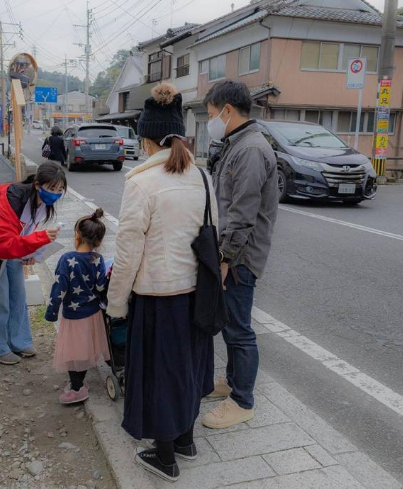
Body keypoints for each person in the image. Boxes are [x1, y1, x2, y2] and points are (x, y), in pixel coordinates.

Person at [107, 83, 217, 482]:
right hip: (197, 295)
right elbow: (212, 236)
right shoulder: (201, 178)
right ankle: (186, 438)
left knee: (159, 376)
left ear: (147, 139)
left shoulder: (140, 184)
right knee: (188, 368)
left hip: (157, 296)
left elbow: (128, 251)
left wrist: (116, 302)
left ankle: (165, 455)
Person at [200, 80, 278, 430]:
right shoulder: (238, 144)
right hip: (234, 252)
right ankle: (232, 382)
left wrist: (225, 256)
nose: (211, 120)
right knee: (232, 325)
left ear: (227, 110)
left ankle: (242, 400)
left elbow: (243, 214)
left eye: (212, 114)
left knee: (238, 329)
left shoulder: (249, 150)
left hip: (240, 257)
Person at [0, 163, 67, 365]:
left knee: (18, 293)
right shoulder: (12, 199)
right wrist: (40, 239)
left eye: (59, 189)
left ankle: (18, 340)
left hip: (8, 244)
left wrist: (29, 253)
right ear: (37, 185)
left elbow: (22, 234)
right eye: (51, 188)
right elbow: (0, 244)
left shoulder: (41, 204)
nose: (55, 193)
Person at [45, 209, 110, 405]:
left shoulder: (67, 259)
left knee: (74, 353)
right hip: (92, 313)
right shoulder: (97, 260)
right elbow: (100, 287)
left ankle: (77, 388)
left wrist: (51, 312)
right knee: (84, 349)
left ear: (77, 235)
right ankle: (78, 384)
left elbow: (59, 288)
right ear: (98, 242)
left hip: (74, 315)